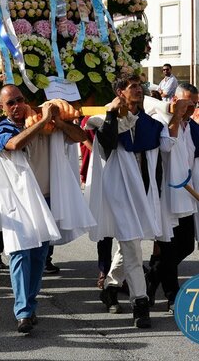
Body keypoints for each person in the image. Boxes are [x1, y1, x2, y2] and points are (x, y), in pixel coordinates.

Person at [0, 86, 88, 333]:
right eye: (10, 103)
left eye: (20, 100)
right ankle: (22, 312)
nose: (16, 106)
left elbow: (79, 136)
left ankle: (30, 307)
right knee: (20, 254)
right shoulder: (3, 129)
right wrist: (43, 121)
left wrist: (57, 122)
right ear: (3, 108)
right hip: (19, 204)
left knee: (38, 257)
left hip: (46, 199)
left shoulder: (48, 126)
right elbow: (14, 145)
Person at [87, 73, 182, 328]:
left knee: (130, 243)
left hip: (147, 192)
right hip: (120, 192)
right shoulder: (104, 120)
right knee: (131, 246)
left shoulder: (152, 124)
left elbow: (167, 145)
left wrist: (178, 115)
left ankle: (109, 286)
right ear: (120, 93)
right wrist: (111, 114)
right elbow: (106, 143)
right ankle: (140, 304)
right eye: (131, 86)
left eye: (139, 86)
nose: (138, 90)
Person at [146, 82, 198, 312]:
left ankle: (150, 278)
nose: (190, 109)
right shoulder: (160, 120)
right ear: (175, 100)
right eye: (186, 103)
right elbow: (166, 147)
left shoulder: (192, 127)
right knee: (169, 247)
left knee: (185, 245)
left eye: (194, 105)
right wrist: (175, 116)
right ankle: (171, 294)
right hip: (165, 194)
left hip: (186, 194)